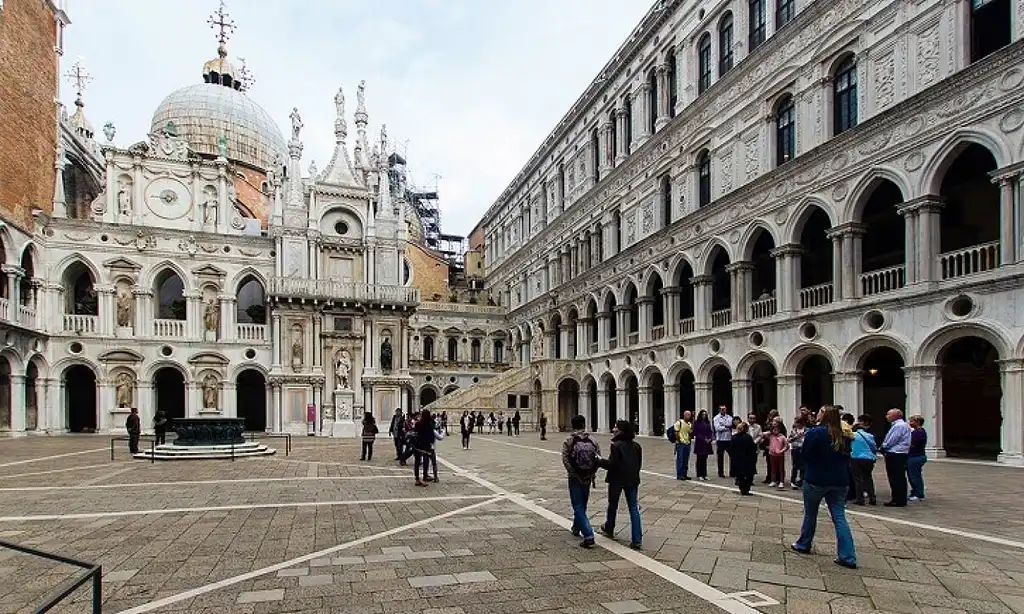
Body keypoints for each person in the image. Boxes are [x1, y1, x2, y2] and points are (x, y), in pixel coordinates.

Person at [791, 405, 857, 569]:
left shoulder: (816, 432)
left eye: (819, 412)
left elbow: (806, 455)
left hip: (816, 479)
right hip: (840, 480)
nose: (816, 414)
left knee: (810, 513)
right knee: (839, 517)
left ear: (825, 415)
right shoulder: (845, 434)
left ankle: (804, 544)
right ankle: (847, 556)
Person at [598, 420, 643, 549]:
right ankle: (637, 539)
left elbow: (612, 465)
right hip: (632, 479)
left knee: (613, 505)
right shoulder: (637, 446)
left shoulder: (616, 446)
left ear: (621, 431)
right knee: (633, 507)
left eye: (616, 427)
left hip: (617, 480)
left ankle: (609, 528)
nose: (613, 429)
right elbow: (638, 464)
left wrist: (599, 461)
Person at [562, 414, 601, 548]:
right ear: (584, 424)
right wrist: (592, 473)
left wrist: (573, 473)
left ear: (573, 425)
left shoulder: (569, 440)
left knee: (577, 504)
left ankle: (588, 534)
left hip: (575, 477)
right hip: (588, 476)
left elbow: (565, 459)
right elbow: (598, 458)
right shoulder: (593, 440)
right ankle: (576, 527)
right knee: (582, 504)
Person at [880, 409, 912, 507]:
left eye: (888, 414)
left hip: (896, 453)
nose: (886, 416)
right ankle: (900, 498)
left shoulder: (898, 426)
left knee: (895, 477)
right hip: (899, 453)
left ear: (895, 416)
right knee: (899, 476)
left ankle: (898, 499)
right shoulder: (902, 425)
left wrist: (883, 446)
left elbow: (892, 439)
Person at [850, 414, 878, 505]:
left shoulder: (853, 435)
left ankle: (860, 499)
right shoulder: (869, 435)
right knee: (868, 478)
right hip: (869, 458)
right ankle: (872, 497)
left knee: (858, 479)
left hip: (856, 458)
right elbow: (874, 447)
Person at [728, 422, 757, 495]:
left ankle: (742, 489)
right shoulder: (748, 437)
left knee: (740, 476)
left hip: (737, 460)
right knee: (748, 476)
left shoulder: (734, 437)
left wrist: (733, 457)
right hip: (747, 460)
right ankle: (746, 490)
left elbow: (730, 449)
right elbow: (753, 448)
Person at [411, 410, 435, 487]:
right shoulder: (430, 424)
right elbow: (431, 436)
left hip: (418, 444)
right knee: (426, 461)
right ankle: (425, 476)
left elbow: (415, 432)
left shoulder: (418, 424)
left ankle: (417, 478)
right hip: (426, 445)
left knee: (417, 462)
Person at [907, 415, 928, 501]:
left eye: (912, 421)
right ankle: (915, 492)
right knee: (913, 476)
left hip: (916, 456)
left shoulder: (919, 432)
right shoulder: (916, 431)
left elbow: (912, 444)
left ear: (918, 422)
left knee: (914, 476)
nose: (910, 423)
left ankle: (919, 494)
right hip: (914, 456)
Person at [766, 423, 790, 488]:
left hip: (780, 455)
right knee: (773, 468)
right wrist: (770, 431)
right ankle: (773, 481)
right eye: (774, 430)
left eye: (777, 429)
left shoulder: (782, 437)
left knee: (781, 468)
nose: (775, 431)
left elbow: (786, 446)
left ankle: (781, 481)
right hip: (772, 454)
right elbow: (763, 434)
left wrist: (781, 451)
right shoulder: (771, 436)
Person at [712, 405, 733, 478]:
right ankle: (720, 472)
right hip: (720, 440)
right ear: (719, 410)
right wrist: (727, 427)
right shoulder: (716, 418)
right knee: (720, 457)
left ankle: (732, 471)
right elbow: (717, 428)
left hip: (729, 439)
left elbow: (732, 426)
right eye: (722, 409)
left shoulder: (730, 417)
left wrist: (724, 426)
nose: (724, 410)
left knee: (732, 455)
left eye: (725, 409)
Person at [693, 410, 713, 481]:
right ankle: (699, 474)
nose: (704, 416)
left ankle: (704, 474)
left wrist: (710, 438)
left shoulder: (708, 422)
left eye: (705, 414)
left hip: (707, 443)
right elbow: (696, 433)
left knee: (705, 459)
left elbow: (710, 431)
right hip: (700, 443)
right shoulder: (697, 422)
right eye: (703, 414)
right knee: (699, 459)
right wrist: (703, 439)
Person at [673, 411, 693, 480]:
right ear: (684, 415)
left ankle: (684, 474)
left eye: (689, 415)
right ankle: (679, 475)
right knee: (680, 460)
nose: (689, 416)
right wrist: (679, 440)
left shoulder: (689, 424)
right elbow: (676, 433)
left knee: (686, 460)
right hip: (681, 444)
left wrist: (689, 440)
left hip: (687, 444)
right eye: (687, 415)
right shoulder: (679, 423)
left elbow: (690, 433)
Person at [788, 416, 807, 489]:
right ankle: (793, 481)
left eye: (797, 423)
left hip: (803, 449)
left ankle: (801, 480)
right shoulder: (793, 430)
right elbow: (789, 440)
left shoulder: (806, 430)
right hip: (795, 449)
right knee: (795, 466)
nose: (796, 424)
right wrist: (796, 436)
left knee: (803, 466)